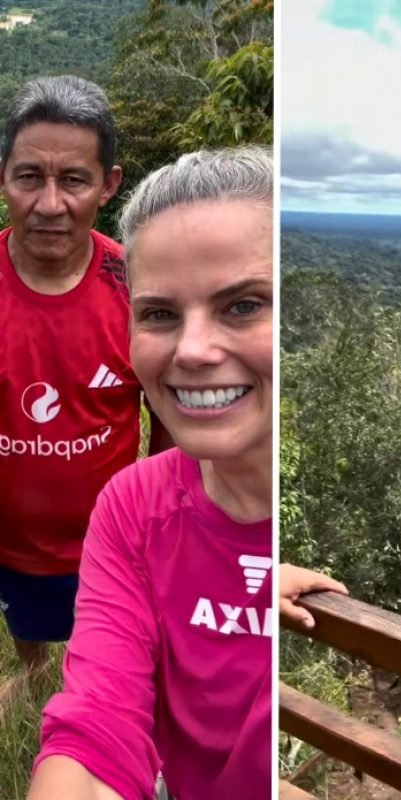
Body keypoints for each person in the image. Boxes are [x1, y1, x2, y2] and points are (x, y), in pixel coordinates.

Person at [26, 146, 346, 800]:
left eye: (244, 305)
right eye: (161, 314)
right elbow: (95, 728)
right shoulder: (136, 507)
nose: (193, 351)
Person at [0, 75, 168, 685]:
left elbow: (172, 417)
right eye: (29, 177)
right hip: (10, 545)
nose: (49, 204)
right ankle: (31, 671)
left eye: (73, 179)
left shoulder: (143, 290)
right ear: (3, 178)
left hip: (114, 545)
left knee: (103, 666)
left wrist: (161, 522)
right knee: (30, 637)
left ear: (108, 186)